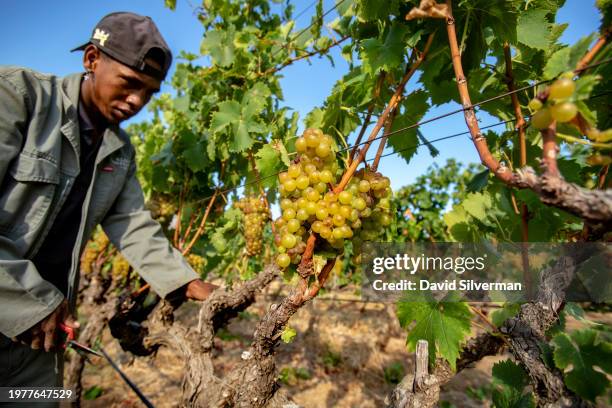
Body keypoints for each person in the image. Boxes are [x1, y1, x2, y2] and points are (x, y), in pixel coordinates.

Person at [0, 11, 217, 397]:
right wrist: (29, 303)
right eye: (130, 83)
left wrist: (184, 282)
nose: (137, 101)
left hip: (39, 339)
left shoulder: (119, 150)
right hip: (24, 307)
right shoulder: (18, 97)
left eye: (149, 93)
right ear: (91, 59)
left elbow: (131, 221)